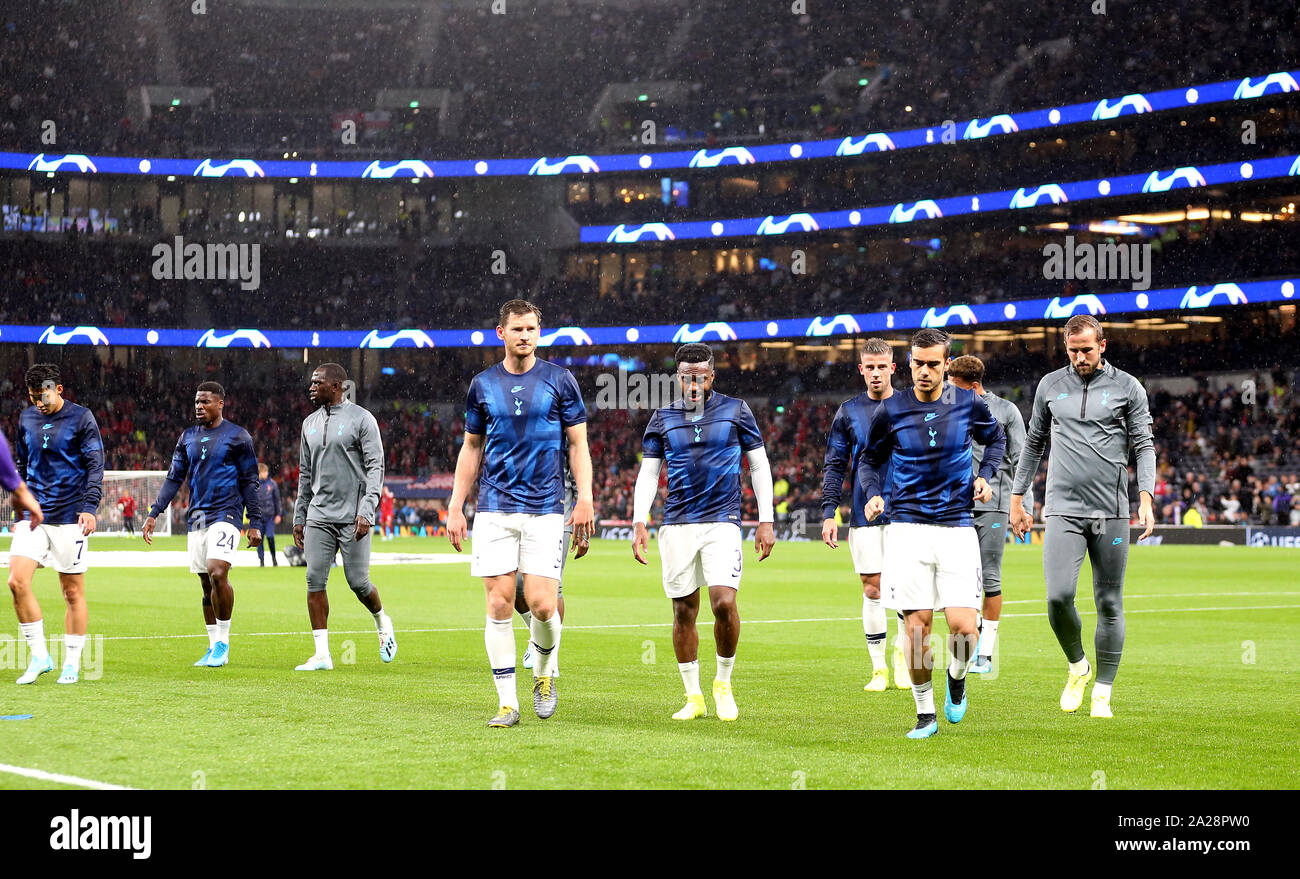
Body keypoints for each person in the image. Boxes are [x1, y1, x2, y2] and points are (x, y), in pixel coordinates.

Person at [447, 299, 595, 728]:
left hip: (546, 508)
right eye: (517, 329)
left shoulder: (560, 380)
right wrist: (456, 505)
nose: (525, 336)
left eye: (531, 329)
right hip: (494, 508)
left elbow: (578, 444)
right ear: (501, 333)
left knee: (544, 606)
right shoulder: (482, 385)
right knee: (498, 603)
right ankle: (507, 703)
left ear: (538, 332)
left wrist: (584, 496)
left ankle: (545, 675)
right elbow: (471, 448)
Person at [857, 329, 1006, 739]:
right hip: (906, 528)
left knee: (964, 629)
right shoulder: (891, 409)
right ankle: (925, 715)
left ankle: (956, 679)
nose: (924, 371)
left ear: (946, 364)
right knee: (917, 627)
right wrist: (872, 494)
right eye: (918, 363)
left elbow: (996, 441)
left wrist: (986, 476)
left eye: (933, 364)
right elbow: (869, 460)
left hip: (956, 527)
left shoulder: (969, 404)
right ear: (909, 363)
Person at [1010, 315, 1155, 719]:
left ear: (1102, 345)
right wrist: (1017, 498)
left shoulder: (1128, 388)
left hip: (1111, 512)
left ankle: (1103, 692)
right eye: (1072, 351)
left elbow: (1144, 445)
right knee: (1057, 597)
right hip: (1062, 509)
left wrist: (1145, 496)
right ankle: (1078, 667)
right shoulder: (1050, 387)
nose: (1079, 358)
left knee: (1109, 601)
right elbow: (1034, 442)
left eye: (1086, 350)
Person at [632, 343, 776, 722]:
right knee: (683, 610)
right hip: (677, 522)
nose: (693, 383)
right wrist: (638, 521)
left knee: (724, 603)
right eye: (685, 377)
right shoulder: (662, 417)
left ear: (711, 376)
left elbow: (758, 466)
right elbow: (648, 473)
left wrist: (767, 519)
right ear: (678, 378)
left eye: (700, 376)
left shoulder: (736, 410)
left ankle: (723, 683)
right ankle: (693, 695)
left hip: (722, 520)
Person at [143, 382, 263, 668]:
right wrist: (154, 512)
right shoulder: (187, 437)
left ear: (220, 404)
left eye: (205, 402)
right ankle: (212, 646)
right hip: (197, 516)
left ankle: (223, 642)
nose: (199, 406)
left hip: (228, 512)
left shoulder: (238, 436)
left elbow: (249, 481)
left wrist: (255, 521)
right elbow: (174, 478)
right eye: (197, 402)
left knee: (218, 572)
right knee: (205, 582)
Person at [291, 363, 395, 671]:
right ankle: (322, 654)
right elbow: (305, 473)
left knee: (358, 583)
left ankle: (382, 621)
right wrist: (300, 514)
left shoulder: (362, 419)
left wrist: (367, 508)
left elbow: (376, 467)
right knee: (313, 579)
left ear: (336, 386)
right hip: (319, 514)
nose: (311, 387)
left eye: (317, 382)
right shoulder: (309, 423)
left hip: (353, 516)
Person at [821, 338, 909, 692]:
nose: (875, 373)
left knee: (906, 589)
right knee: (872, 589)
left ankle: (904, 658)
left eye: (881, 366)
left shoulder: (910, 406)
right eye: (868, 367)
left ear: (892, 368)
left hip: (907, 509)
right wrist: (829, 511)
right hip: (863, 512)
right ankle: (879, 669)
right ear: (861, 369)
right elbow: (835, 464)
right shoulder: (848, 411)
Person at [9, 363, 104, 685]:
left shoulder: (81, 417)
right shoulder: (26, 419)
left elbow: (95, 466)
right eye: (34, 396)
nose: (39, 402)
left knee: (72, 592)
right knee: (16, 582)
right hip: (33, 518)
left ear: (59, 389)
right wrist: (19, 510)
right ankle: (40, 657)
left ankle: (72, 663)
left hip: (69, 517)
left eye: (44, 395)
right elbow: (20, 467)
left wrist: (89, 508)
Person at [947, 355, 1031, 676]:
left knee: (990, 573)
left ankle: (986, 654)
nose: (948, 391)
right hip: (956, 506)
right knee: (959, 578)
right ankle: (969, 639)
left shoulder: (1006, 411)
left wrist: (1022, 506)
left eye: (953, 385)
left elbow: (1022, 459)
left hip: (994, 504)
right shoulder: (948, 408)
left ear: (972, 386)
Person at [517, 446, 587, 674]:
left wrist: (583, 518)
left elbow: (578, 465)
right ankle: (538, 639)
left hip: (559, 510)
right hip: (520, 508)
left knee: (553, 584)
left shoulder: (562, 418)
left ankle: (551, 657)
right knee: (517, 585)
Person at [255, 463, 281, 566]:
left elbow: (277, 500)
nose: (266, 473)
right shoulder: (254, 485)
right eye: (264, 472)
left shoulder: (273, 484)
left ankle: (274, 557)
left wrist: (278, 514)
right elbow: (251, 502)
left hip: (270, 517)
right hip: (258, 517)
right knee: (259, 540)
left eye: (266, 471)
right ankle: (261, 560)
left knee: (270, 537)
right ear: (259, 473)